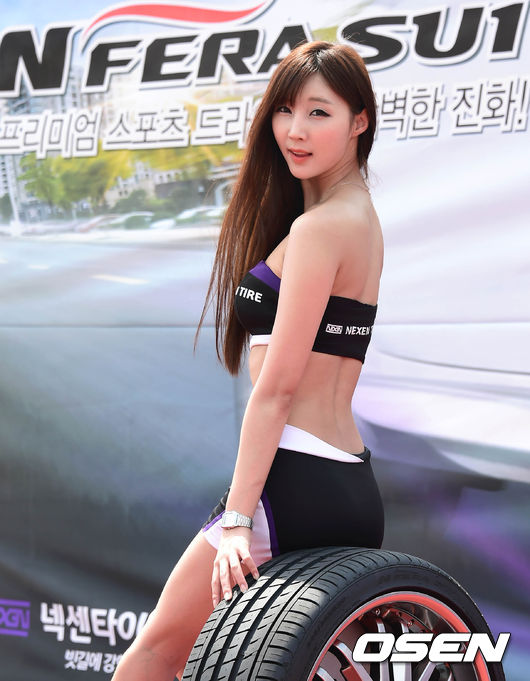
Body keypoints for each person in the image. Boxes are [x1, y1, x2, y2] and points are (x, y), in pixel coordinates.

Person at [112, 39, 385, 681]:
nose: (295, 130)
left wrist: (237, 519)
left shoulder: (320, 229)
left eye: (319, 113)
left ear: (359, 122)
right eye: (285, 111)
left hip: (291, 482)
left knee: (154, 655)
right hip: (346, 480)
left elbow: (277, 389)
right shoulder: (358, 218)